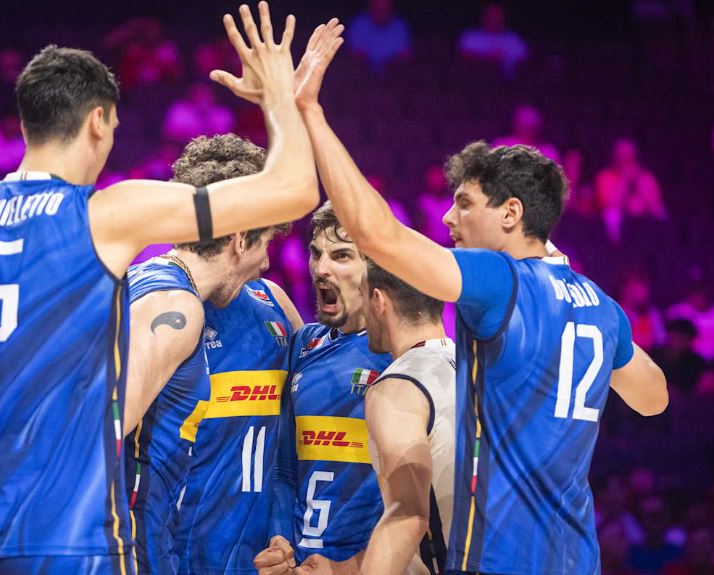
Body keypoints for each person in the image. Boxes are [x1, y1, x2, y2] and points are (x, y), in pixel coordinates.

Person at [0, 4, 319, 573]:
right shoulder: (105, 215)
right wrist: (279, 97)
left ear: (27, 123)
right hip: (75, 540)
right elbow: (294, 190)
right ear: (97, 122)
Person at [284, 19, 667, 574]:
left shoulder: (499, 280)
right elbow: (654, 398)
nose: (448, 218)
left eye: (464, 204)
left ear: (511, 214)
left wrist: (311, 113)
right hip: (577, 558)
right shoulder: (600, 304)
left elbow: (376, 235)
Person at [123, 134, 296, 574]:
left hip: (161, 537)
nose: (267, 263)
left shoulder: (150, 283)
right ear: (239, 240)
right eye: (266, 242)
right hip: (137, 541)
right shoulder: (173, 305)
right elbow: (98, 428)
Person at [253, 202, 391, 572]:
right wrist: (280, 540)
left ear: (377, 265)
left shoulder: (404, 354)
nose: (320, 269)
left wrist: (349, 567)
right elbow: (284, 470)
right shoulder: (304, 344)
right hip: (301, 564)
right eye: (316, 254)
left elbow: (416, 504)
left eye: (341, 255)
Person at [294, 260, 455, 575]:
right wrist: (342, 569)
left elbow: (409, 519)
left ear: (378, 301)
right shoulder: (474, 368)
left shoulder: (396, 387)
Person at [346, 0, 413, 73]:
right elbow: (354, 55)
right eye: (377, 8)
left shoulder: (400, 27)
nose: (381, 11)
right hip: (363, 74)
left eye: (385, 8)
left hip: (395, 74)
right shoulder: (358, 25)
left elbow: (405, 56)